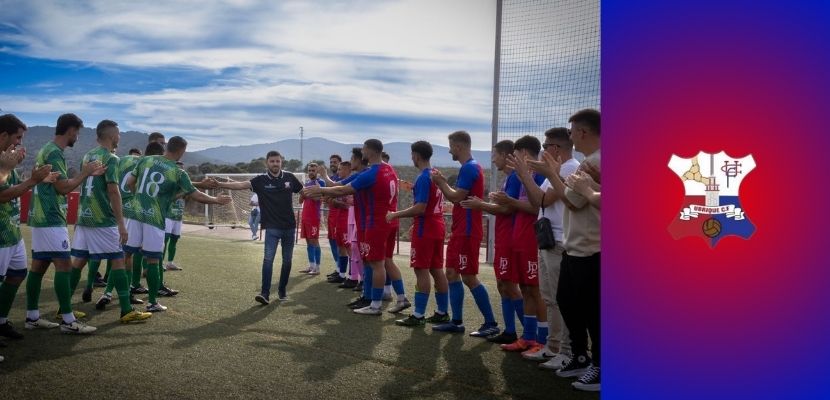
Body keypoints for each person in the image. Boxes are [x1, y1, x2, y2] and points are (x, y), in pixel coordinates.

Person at [528, 109, 601, 392]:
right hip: (575, 247)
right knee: (567, 302)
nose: (571, 136)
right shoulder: (587, 163)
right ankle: (580, 356)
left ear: (582, 132)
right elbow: (571, 199)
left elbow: (572, 202)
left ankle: (598, 365)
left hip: (591, 248)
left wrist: (550, 173)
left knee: (591, 311)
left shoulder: (596, 162)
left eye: (572, 132)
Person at [123, 136, 230, 312]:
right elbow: (196, 194)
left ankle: (125, 295)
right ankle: (152, 303)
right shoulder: (178, 171)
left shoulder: (147, 160)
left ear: (168, 147)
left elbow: (129, 183)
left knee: (126, 256)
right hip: (154, 218)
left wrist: (140, 199)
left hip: (135, 214)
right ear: (182, 151)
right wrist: (216, 200)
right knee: (152, 261)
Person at [304, 139, 410, 316]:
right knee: (384, 260)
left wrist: (320, 190)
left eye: (363, 150)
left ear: (369, 151)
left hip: (375, 223)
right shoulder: (389, 169)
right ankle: (399, 298)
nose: (362, 153)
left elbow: (342, 190)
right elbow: (340, 186)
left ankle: (374, 305)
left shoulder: (372, 173)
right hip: (389, 221)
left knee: (376, 264)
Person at [26, 113, 106, 334]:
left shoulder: (47, 149)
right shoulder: (53, 152)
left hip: (41, 216)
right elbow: (63, 188)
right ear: (71, 130)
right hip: (51, 216)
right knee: (63, 265)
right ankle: (68, 321)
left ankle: (32, 316)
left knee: (39, 266)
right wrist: (86, 172)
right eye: (78, 132)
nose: (78, 137)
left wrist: (89, 174)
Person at [508, 128, 580, 370]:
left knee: (562, 300)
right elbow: (539, 197)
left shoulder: (570, 167)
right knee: (551, 299)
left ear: (556, 149)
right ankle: (553, 346)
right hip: (549, 240)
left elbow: (542, 200)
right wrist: (526, 176)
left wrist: (524, 175)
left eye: (546, 145)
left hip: (560, 241)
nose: (542, 150)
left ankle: (566, 350)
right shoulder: (556, 170)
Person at [68, 120, 152, 323]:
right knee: (117, 260)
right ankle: (126, 310)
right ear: (112, 136)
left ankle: (64, 308)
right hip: (102, 219)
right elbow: (113, 191)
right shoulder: (111, 158)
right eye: (119, 134)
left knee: (79, 262)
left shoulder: (88, 155)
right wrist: (122, 224)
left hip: (85, 216)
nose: (120, 137)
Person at [429, 131, 498, 336]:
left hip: (468, 230)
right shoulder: (468, 167)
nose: (449, 150)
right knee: (452, 272)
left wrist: (441, 182)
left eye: (451, 146)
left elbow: (457, 197)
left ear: (458, 146)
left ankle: (491, 323)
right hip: (460, 229)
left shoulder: (469, 168)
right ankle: (457, 321)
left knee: (469, 277)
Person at [0, 114, 58, 348]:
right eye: (17, 138)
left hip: (11, 232)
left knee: (17, 274)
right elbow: (2, 195)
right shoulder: (4, 162)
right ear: (4, 135)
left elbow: (11, 187)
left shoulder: (7, 160)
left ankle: (1, 321)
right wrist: (32, 181)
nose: (19, 144)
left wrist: (39, 180)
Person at [215, 151, 303, 305]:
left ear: (281, 162)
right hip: (272, 228)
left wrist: (325, 193)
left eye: (277, 161)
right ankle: (265, 293)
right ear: (267, 163)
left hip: (289, 227)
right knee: (268, 260)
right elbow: (241, 185)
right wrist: (220, 184)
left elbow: (304, 192)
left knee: (287, 261)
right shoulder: (260, 180)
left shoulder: (290, 177)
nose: (275, 164)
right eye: (272, 161)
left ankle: (282, 290)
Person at [460, 140, 524, 343]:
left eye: (495, 155)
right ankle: (510, 332)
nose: (493, 159)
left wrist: (481, 205)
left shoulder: (515, 178)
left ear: (506, 155)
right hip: (504, 237)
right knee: (503, 285)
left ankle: (530, 336)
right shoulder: (509, 178)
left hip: (511, 239)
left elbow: (509, 209)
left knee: (512, 286)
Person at [491, 136, 548, 354]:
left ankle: (543, 340)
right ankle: (528, 337)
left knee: (535, 289)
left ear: (523, 152)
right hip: (519, 237)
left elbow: (537, 208)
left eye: (515, 153)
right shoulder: (526, 174)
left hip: (532, 238)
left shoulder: (540, 173)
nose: (511, 158)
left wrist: (509, 201)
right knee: (526, 288)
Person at [386, 141, 449, 326]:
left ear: (416, 155)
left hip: (426, 227)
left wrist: (395, 214)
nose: (411, 158)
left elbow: (420, 208)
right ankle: (442, 312)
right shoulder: (435, 173)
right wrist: (413, 188)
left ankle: (418, 315)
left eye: (412, 155)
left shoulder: (423, 177)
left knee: (421, 269)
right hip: (438, 224)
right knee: (437, 269)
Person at [298, 163, 324, 275]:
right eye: (309, 170)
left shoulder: (321, 183)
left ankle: (317, 268)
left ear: (317, 171)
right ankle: (311, 266)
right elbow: (300, 200)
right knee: (308, 242)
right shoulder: (307, 183)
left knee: (314, 241)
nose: (311, 172)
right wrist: (302, 192)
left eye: (313, 170)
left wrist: (307, 193)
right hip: (305, 216)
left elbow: (320, 198)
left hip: (314, 217)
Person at [162, 161, 187, 271]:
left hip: (178, 216)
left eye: (182, 169)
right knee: (164, 240)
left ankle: (170, 263)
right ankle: (160, 263)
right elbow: (170, 198)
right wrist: (183, 192)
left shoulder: (184, 184)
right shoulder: (168, 183)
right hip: (168, 216)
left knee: (174, 240)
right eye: (178, 169)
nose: (180, 171)